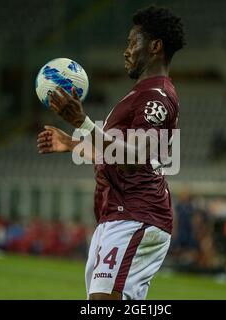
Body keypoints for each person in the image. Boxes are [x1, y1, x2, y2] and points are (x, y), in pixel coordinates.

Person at [37, 5, 185, 299]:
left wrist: (82, 122)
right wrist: (73, 144)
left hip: (137, 215)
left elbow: (136, 159)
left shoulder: (156, 98)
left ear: (155, 47)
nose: (126, 50)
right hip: (118, 215)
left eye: (133, 43)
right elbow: (120, 157)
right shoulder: (140, 95)